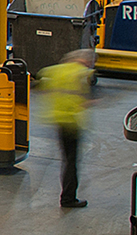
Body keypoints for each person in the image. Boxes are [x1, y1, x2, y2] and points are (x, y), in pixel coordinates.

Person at [38, 49, 96, 208]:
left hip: (57, 120)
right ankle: (68, 198)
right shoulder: (81, 73)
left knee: (66, 159)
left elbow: (42, 81)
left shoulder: (56, 71)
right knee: (71, 161)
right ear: (85, 60)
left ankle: (67, 196)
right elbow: (83, 99)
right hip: (72, 122)